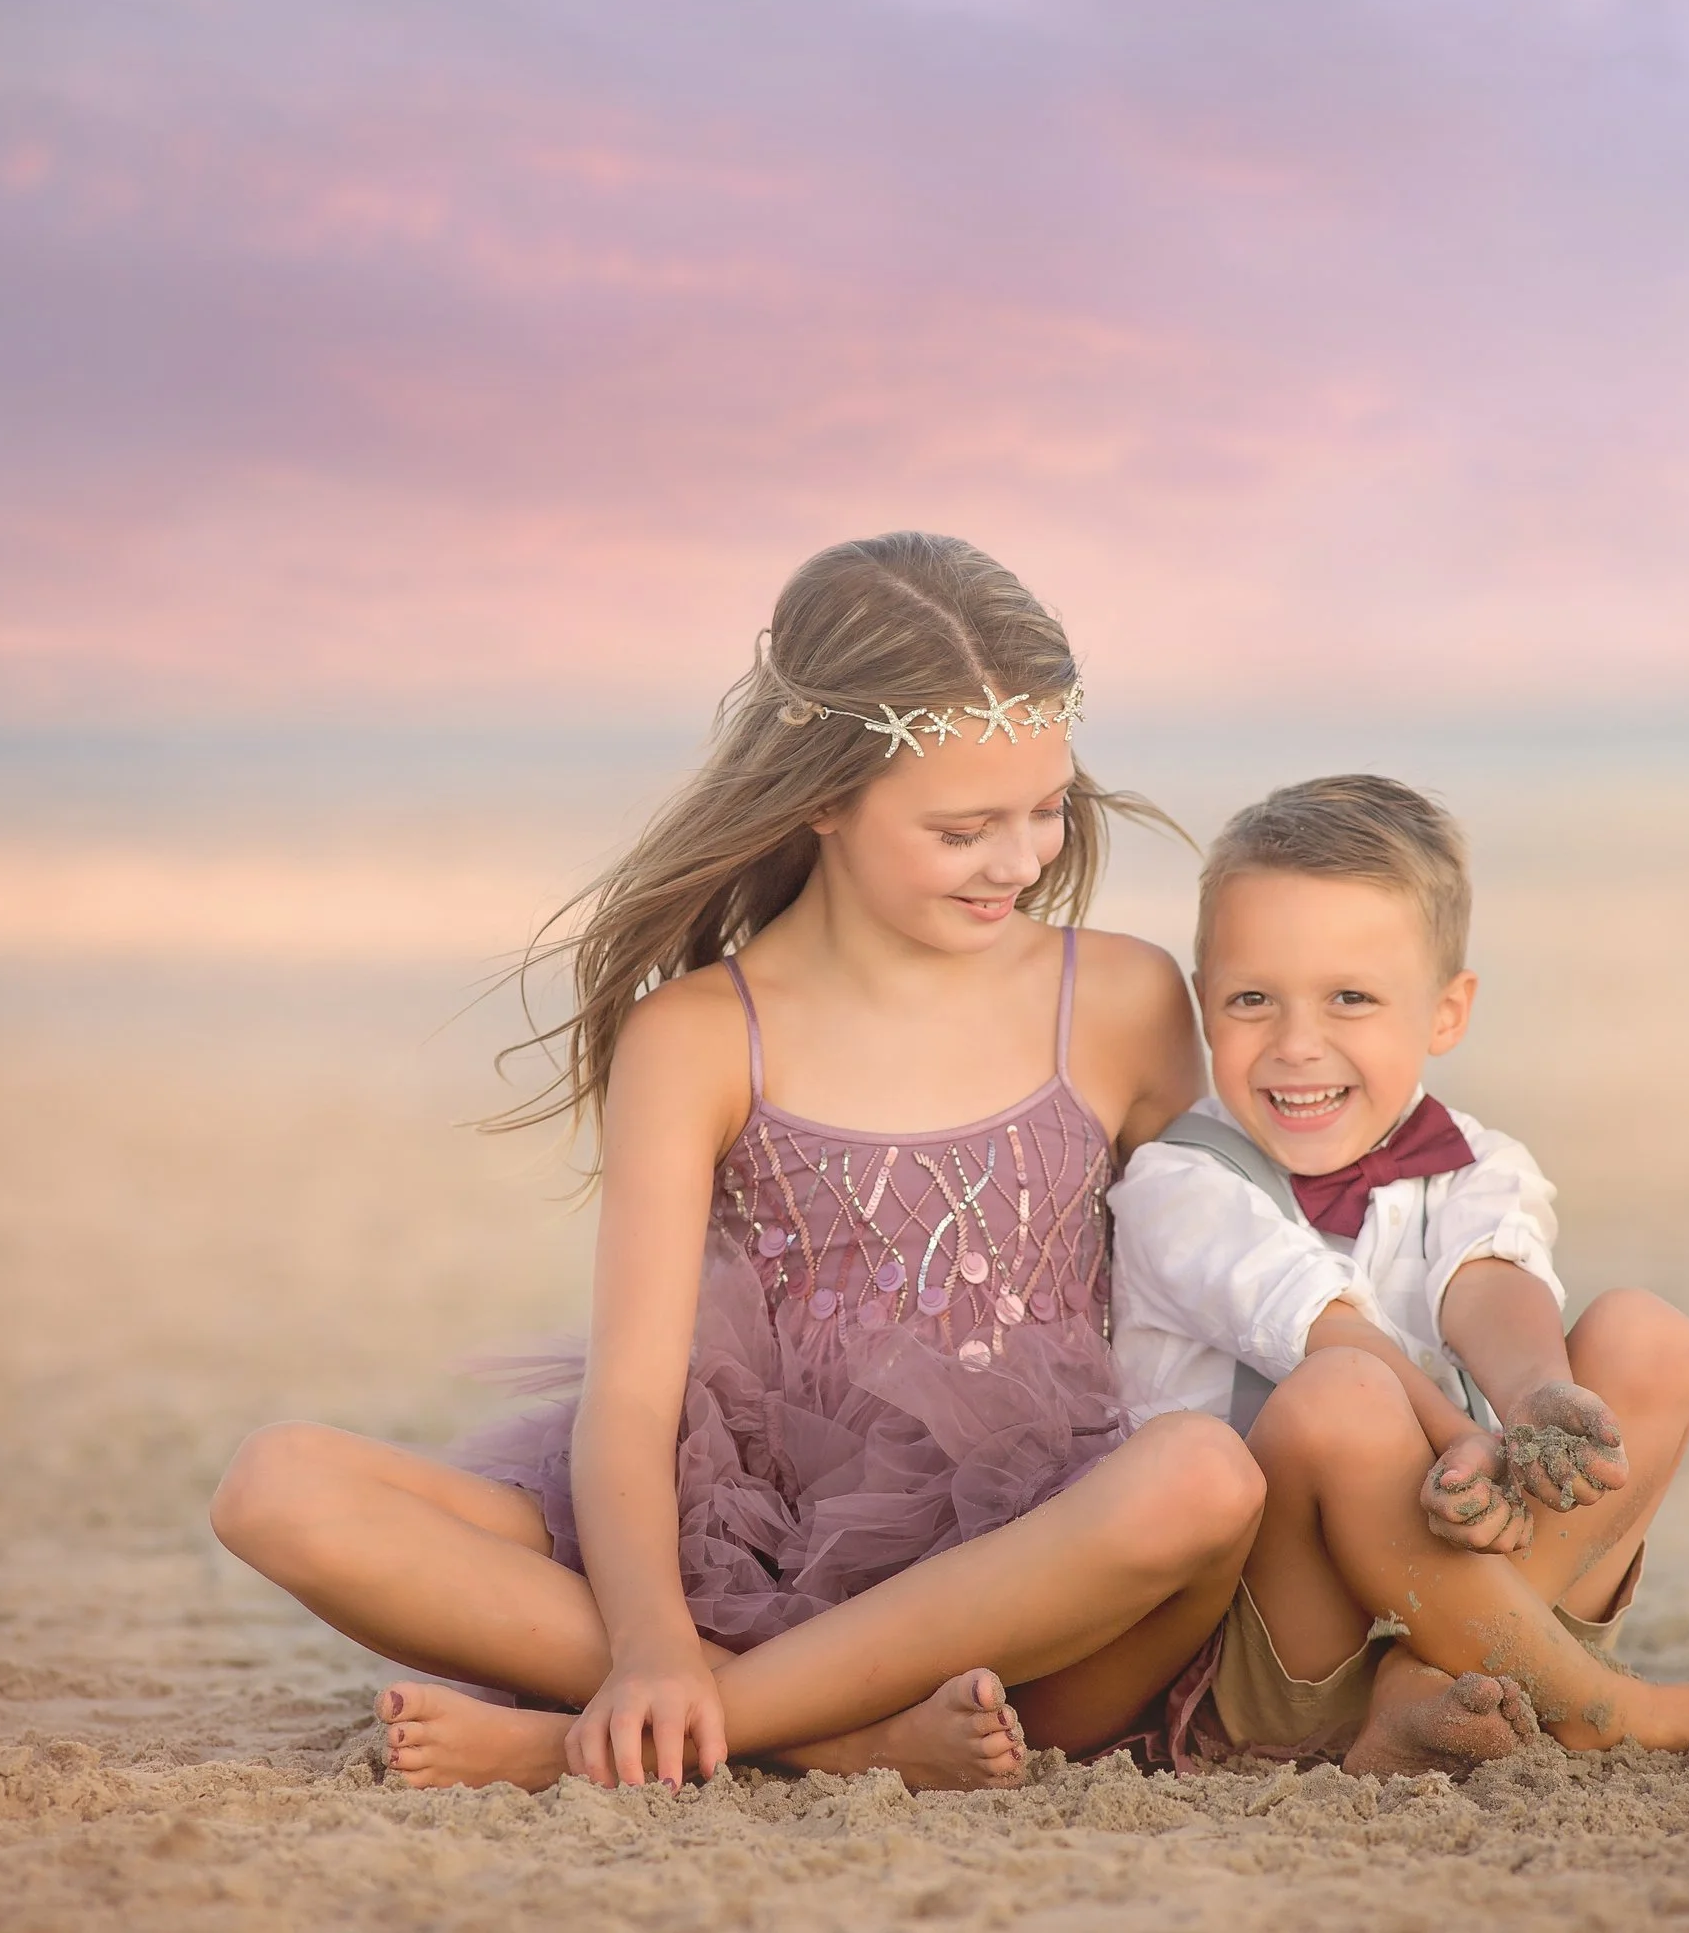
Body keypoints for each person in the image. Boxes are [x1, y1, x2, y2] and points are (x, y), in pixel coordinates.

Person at [211, 532, 1265, 1794]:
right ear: (822, 797)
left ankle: (601, 1742)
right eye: (963, 827)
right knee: (276, 1486)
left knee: (1202, 1478)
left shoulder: (1120, 998)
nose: (1021, 859)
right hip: (734, 1540)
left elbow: (1216, 1274)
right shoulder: (702, 1036)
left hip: (1021, 1599)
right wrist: (651, 1643)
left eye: (1047, 809)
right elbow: (635, 1398)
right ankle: (822, 1738)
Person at [1111, 775, 1689, 1775]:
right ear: (1205, 1004)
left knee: (1646, 1336)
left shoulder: (1473, 1161)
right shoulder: (1177, 1183)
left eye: (1350, 998)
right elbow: (1328, 1328)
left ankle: (1424, 1683)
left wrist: (1531, 1401)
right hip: (1278, 1644)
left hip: (1448, 1600)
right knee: (1343, 1395)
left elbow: (1490, 1279)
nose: (1295, 1043)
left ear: (1446, 1011)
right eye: (1252, 999)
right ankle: (1597, 1704)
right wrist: (1462, 1438)